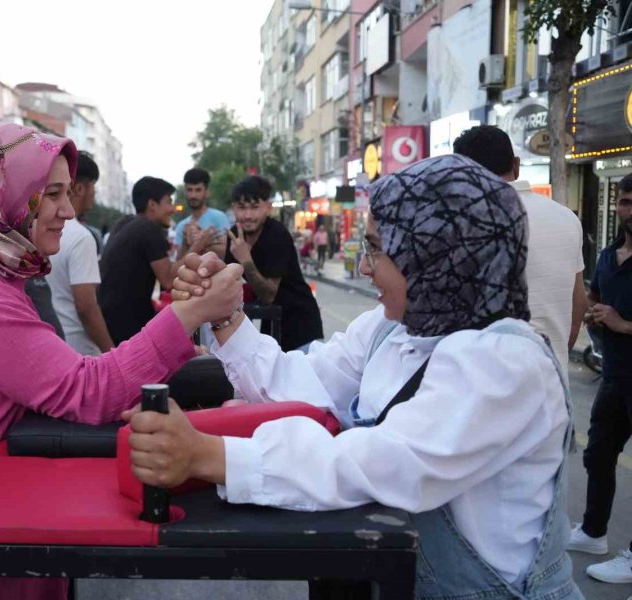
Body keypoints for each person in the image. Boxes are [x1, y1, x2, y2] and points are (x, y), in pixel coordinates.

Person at [128, 155, 582, 599]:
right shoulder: (392, 327)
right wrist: (224, 314)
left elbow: (387, 462)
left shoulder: (505, 361)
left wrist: (210, 454)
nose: (365, 268)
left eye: (378, 249)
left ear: (435, 252)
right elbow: (302, 381)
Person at [0, 125, 243, 600]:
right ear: (1, 197)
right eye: (50, 194)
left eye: (67, 192)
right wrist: (193, 314)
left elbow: (53, 380)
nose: (68, 210)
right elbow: (86, 390)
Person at [454, 125, 586, 375]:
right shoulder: (566, 218)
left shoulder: (463, 221)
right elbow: (578, 302)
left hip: (484, 388)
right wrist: (555, 355)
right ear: (516, 166)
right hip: (552, 388)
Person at [566, 174, 632, 585]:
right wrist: (593, 311)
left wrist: (622, 324)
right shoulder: (609, 256)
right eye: (625, 201)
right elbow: (595, 297)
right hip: (615, 375)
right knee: (598, 455)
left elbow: (618, 317)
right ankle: (593, 532)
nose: (629, 209)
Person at [224, 175, 323, 352]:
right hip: (270, 324)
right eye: (241, 208)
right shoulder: (234, 235)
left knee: (298, 379)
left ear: (268, 208)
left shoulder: (277, 235)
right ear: (233, 209)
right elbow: (228, 284)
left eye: (255, 208)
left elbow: (269, 294)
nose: (247, 215)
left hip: (300, 325)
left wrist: (246, 259)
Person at [46, 151, 113, 355]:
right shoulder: (81, 237)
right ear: (80, 188)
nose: (94, 193)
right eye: (93, 186)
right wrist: (111, 352)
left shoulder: (42, 232)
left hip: (50, 343)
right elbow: (86, 307)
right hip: (79, 350)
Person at [98, 176, 178, 345]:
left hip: (110, 320)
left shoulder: (124, 223)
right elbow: (169, 280)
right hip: (129, 325)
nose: (172, 209)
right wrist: (197, 246)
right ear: (152, 205)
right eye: (169, 202)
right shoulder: (149, 229)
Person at [175, 167, 229, 259]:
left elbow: (227, 253)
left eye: (198, 190)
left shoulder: (219, 218)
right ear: (185, 192)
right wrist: (186, 243)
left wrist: (204, 242)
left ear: (207, 192)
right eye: (189, 190)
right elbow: (178, 263)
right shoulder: (181, 226)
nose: (193, 195)